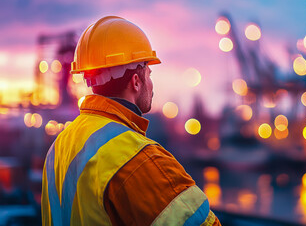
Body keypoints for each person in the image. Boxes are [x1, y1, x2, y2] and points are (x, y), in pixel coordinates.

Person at [41, 16, 221, 226]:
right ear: (136, 81)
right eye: (149, 73)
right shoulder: (136, 157)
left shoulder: (59, 147)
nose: (151, 84)